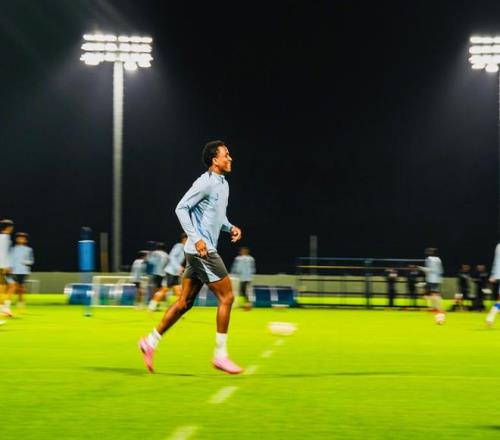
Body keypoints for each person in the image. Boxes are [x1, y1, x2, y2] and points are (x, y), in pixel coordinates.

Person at [139, 140, 243, 374]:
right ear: (215, 160)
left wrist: (230, 228)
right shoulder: (204, 182)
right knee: (227, 297)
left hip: (199, 251)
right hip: (202, 251)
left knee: (184, 303)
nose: (230, 158)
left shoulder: (223, 184)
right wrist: (196, 238)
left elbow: (217, 217)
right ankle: (220, 355)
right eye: (226, 155)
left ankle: (149, 342)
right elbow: (180, 208)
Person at [148, 233, 187, 311]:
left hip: (175, 273)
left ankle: (177, 311)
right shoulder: (178, 246)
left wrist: (180, 269)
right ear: (184, 239)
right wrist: (178, 267)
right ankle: (151, 307)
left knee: (179, 293)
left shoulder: (183, 248)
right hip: (170, 273)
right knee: (164, 290)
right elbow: (171, 256)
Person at [418, 247, 445, 321]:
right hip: (437, 278)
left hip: (431, 278)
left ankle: (439, 309)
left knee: (431, 294)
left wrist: (421, 268)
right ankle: (435, 308)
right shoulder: (438, 259)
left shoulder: (429, 259)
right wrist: (439, 277)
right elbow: (441, 270)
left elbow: (430, 269)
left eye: (429, 252)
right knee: (434, 294)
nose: (428, 253)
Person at [10, 232, 34, 310]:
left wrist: (26, 262)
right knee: (14, 286)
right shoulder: (12, 249)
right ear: (16, 239)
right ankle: (11, 301)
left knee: (20, 287)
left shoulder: (28, 249)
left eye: (23, 238)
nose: (20, 239)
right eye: (19, 238)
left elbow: (31, 261)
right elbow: (9, 260)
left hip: (23, 271)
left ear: (25, 240)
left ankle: (20, 301)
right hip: (13, 271)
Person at [0, 219, 15, 317]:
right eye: (11, 227)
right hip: (2, 267)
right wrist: (6, 266)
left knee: (10, 286)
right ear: (9, 227)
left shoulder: (5, 237)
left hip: (3, 266)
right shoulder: (4, 238)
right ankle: (4, 309)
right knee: (4, 287)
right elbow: (2, 253)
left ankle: (5, 308)